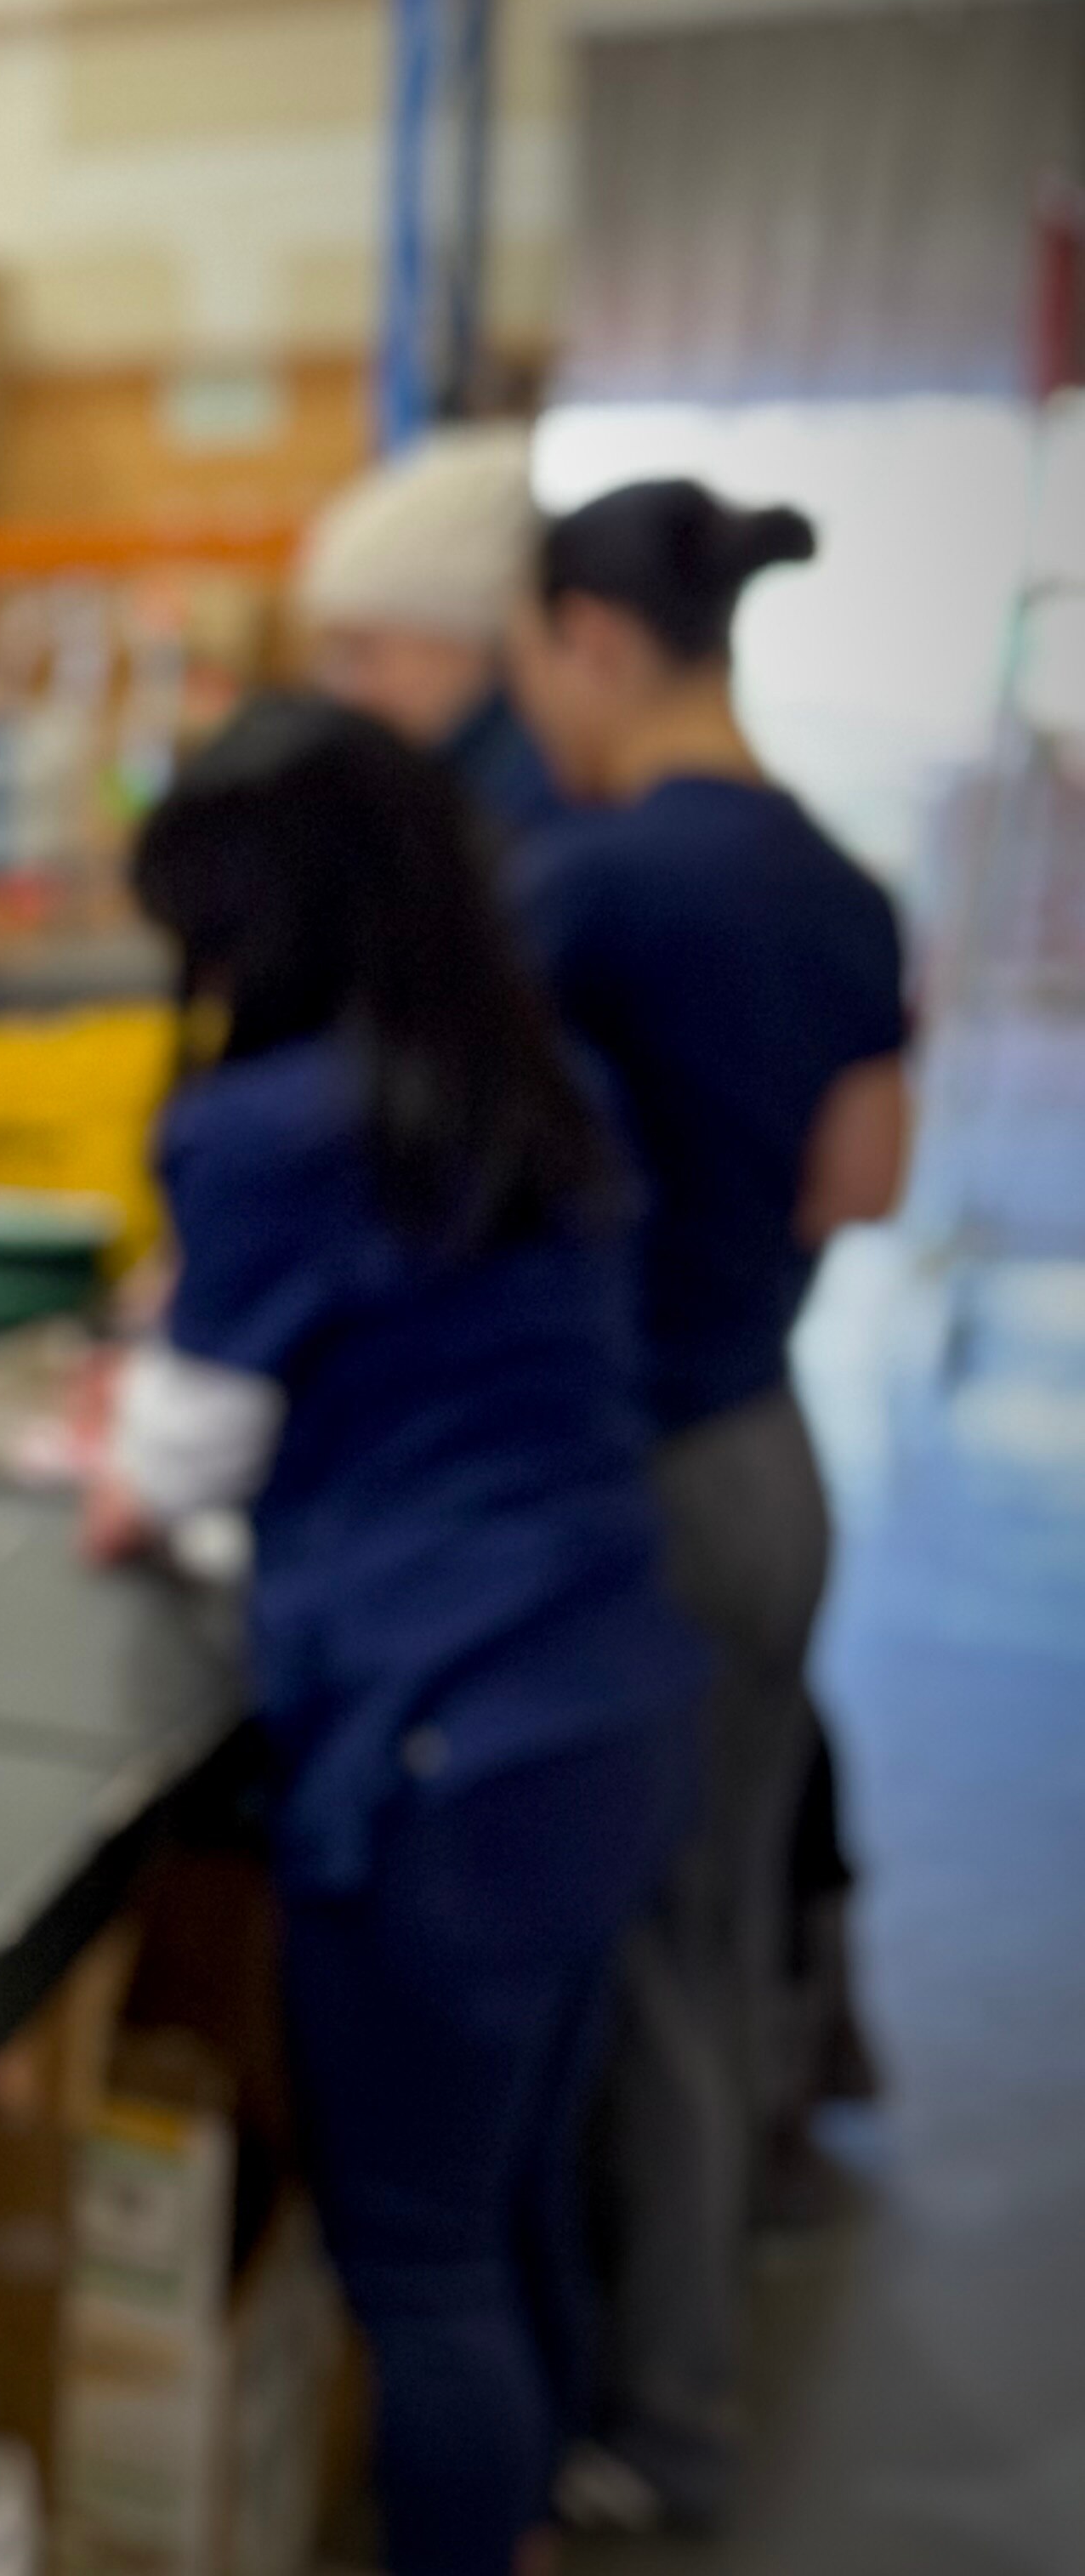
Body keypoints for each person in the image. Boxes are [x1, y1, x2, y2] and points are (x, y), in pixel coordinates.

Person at [96, 695, 700, 2576]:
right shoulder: (532, 1074)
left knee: (416, 2258)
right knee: (516, 2193)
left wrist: (152, 1358)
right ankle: (516, 2523)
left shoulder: (267, 1122)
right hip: (607, 1698)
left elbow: (166, 1467)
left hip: (436, 1744)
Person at [504, 479, 914, 2538]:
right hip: (775, 1449)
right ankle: (701, 2319)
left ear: (586, 633)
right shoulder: (841, 883)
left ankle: (654, 2424)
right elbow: (865, 1178)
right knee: (725, 1928)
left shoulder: (580, 886)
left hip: (636, 1486)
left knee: (633, 1978)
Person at [293, 424, 566, 844]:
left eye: (362, 651)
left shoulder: (527, 818)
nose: (342, 689)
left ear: (468, 638)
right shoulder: (439, 784)